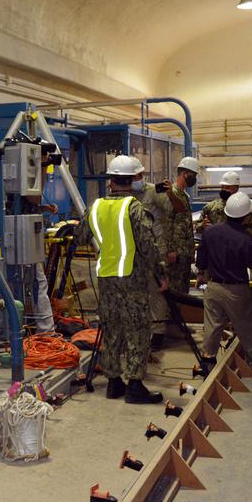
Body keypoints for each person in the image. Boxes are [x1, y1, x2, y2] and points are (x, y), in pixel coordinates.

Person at [76, 155, 166, 404]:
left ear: (111, 180)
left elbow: (80, 236)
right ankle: (135, 386)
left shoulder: (95, 207)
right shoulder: (135, 209)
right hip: (132, 281)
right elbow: (148, 247)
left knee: (112, 329)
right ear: (134, 179)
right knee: (137, 331)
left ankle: (114, 382)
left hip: (107, 280)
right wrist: (161, 275)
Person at [195, 192, 252, 374]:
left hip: (214, 286)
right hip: (237, 290)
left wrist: (201, 273)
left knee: (212, 326)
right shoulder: (245, 239)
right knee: (245, 326)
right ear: (246, 216)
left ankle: (207, 361)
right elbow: (251, 263)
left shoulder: (210, 232)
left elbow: (201, 258)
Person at [129, 156, 172, 349]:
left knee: (157, 292)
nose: (137, 179)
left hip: (155, 249)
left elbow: (170, 213)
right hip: (133, 251)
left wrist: (172, 194)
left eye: (139, 175)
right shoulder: (122, 194)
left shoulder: (153, 192)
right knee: (136, 292)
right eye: (134, 176)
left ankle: (158, 334)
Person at [164, 157, 199, 295]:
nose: (194, 178)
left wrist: (190, 252)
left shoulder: (183, 195)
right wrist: (170, 249)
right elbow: (166, 222)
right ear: (185, 173)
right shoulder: (171, 194)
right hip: (175, 254)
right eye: (193, 175)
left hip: (183, 253)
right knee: (175, 291)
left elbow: (184, 224)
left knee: (183, 290)